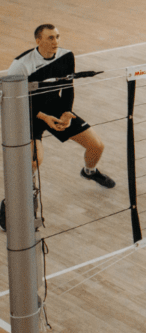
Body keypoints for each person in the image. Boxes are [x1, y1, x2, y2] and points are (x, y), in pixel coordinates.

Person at [2, 25, 116, 230]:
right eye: (50, 38)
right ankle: (10, 204)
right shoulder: (21, 64)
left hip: (54, 106)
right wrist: (43, 117)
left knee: (96, 146)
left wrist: (66, 113)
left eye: (57, 37)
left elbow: (68, 86)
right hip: (28, 112)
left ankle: (89, 171)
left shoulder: (66, 56)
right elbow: (13, 99)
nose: (55, 42)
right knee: (33, 163)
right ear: (38, 41)